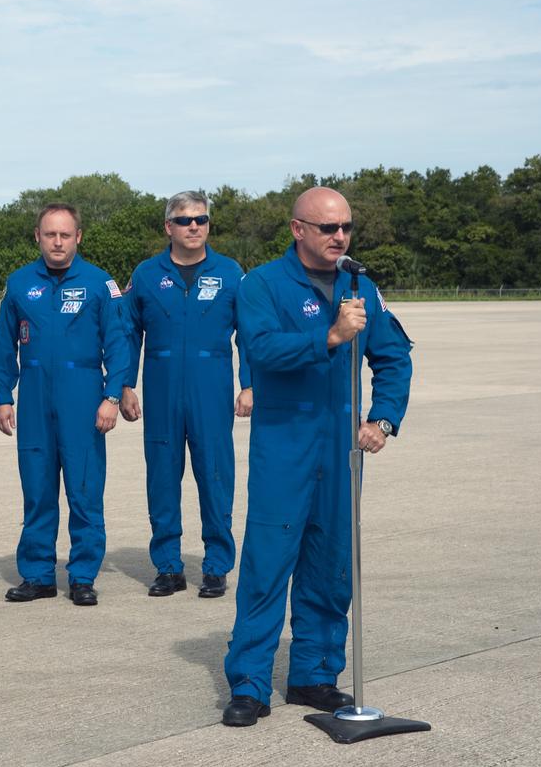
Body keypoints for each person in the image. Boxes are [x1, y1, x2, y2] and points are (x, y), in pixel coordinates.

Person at [221, 186, 413, 726]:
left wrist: (382, 419)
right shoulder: (261, 285)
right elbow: (259, 349)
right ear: (297, 229)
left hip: (341, 448)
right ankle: (251, 683)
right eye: (328, 228)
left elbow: (394, 357)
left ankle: (314, 674)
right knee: (268, 565)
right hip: (285, 443)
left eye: (346, 227)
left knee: (332, 567)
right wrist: (328, 336)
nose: (339, 237)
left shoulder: (362, 288)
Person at [0, 203, 131, 606]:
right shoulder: (19, 284)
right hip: (34, 397)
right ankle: (37, 575)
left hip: (83, 395)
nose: (57, 242)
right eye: (50, 234)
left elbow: (118, 344)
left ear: (78, 238)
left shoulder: (99, 284)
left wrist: (111, 396)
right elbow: (5, 347)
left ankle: (83, 575)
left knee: (85, 490)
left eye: (65, 235)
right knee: (37, 490)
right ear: (38, 236)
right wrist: (4, 396)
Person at [121, 191, 252, 600]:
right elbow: (128, 335)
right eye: (184, 220)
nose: (193, 226)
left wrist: (249, 384)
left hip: (210, 388)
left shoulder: (231, 273)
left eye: (201, 219)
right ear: (168, 227)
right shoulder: (145, 274)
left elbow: (249, 335)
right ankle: (168, 566)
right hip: (160, 391)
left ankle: (216, 566)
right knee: (162, 477)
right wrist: (124, 385)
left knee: (215, 476)